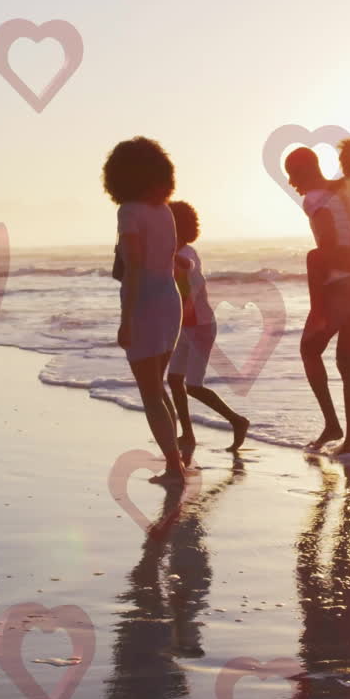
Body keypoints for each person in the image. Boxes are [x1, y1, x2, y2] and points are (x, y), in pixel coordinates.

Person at [284, 144, 350, 458]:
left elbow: (327, 245)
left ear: (304, 171)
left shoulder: (312, 200)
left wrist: (320, 304)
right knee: (347, 363)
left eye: (292, 175)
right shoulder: (342, 190)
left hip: (343, 288)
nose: (291, 183)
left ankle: (332, 425)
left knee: (309, 350)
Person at [103, 136, 187, 483]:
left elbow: (134, 268)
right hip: (170, 299)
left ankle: (174, 467)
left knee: (150, 392)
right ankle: (176, 460)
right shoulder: (164, 211)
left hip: (146, 303)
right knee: (159, 387)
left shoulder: (129, 212)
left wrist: (125, 321)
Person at [165, 201, 250, 453]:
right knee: (174, 379)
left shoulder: (187, 253)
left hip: (201, 326)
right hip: (182, 325)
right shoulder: (170, 254)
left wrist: (168, 255)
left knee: (193, 385)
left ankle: (237, 420)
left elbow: (186, 266)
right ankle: (187, 435)